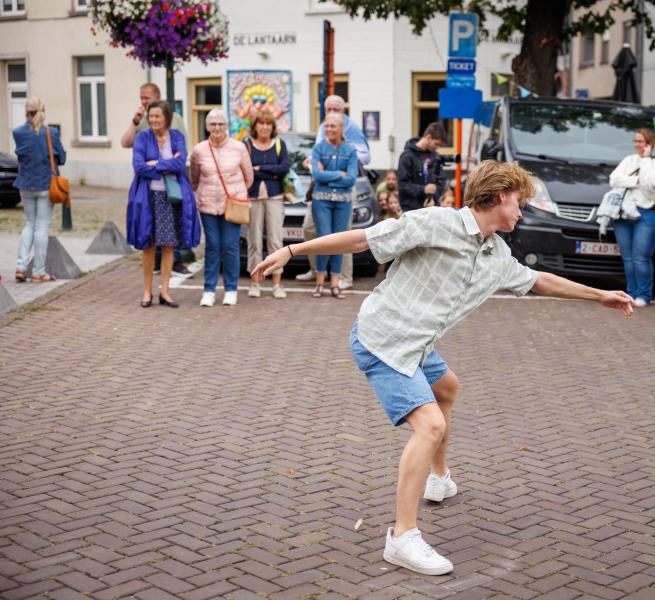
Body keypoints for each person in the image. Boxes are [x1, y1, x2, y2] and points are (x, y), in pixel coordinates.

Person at [250, 160, 635, 576]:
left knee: (447, 389)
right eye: (520, 202)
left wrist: (599, 296)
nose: (523, 211)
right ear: (502, 196)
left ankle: (438, 477)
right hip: (382, 340)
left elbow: (537, 279)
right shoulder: (435, 223)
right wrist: (291, 250)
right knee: (430, 425)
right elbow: (363, 239)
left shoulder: (495, 253)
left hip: (418, 344)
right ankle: (401, 537)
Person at [127, 101, 201, 308]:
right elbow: (139, 167)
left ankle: (165, 292)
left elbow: (180, 164)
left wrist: (156, 164)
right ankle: (147, 291)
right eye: (151, 116)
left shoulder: (176, 136)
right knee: (148, 246)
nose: (153, 120)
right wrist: (164, 166)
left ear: (166, 117)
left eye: (157, 116)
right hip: (148, 197)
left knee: (168, 245)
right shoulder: (142, 137)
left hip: (171, 198)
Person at [296, 95, 368, 288]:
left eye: (336, 109)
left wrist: (343, 158)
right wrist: (314, 163)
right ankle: (316, 270)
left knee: (342, 235)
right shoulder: (323, 127)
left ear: (343, 112)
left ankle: (344, 277)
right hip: (320, 191)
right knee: (310, 229)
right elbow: (319, 163)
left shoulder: (351, 128)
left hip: (343, 192)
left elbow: (365, 156)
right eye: (329, 109)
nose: (332, 112)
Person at [122, 82, 191, 275]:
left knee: (170, 229)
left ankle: (175, 262)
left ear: (157, 97)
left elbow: (180, 154)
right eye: (141, 98)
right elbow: (127, 144)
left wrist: (156, 164)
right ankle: (157, 264)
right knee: (149, 230)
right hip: (147, 185)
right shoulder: (142, 120)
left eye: (146, 98)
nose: (143, 102)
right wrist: (134, 122)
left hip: (171, 184)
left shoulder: (175, 119)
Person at [190, 109, 253, 307]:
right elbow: (194, 176)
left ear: (227, 126)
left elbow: (248, 176)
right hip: (208, 205)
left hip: (232, 204)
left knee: (230, 247)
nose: (217, 128)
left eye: (221, 124)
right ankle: (209, 290)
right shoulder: (199, 149)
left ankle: (231, 289)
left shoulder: (238, 148)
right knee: (212, 246)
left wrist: (236, 193)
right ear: (207, 126)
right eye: (213, 124)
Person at [610, 128, 655, 307]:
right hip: (624, 214)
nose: (637, 145)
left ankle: (643, 294)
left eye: (641, 141)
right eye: (635, 141)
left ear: (650, 143)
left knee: (641, 256)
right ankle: (631, 293)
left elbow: (652, 184)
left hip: (648, 214)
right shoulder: (628, 160)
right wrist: (635, 181)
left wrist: (645, 161)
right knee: (627, 257)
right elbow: (614, 180)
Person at [13, 98, 65, 283]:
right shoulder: (51, 132)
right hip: (45, 184)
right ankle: (38, 272)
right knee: (41, 227)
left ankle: (20, 267)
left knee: (29, 224)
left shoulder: (17, 132)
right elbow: (62, 158)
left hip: (25, 184)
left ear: (26, 112)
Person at [309, 112, 358, 299]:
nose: (329, 129)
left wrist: (329, 176)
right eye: (326, 126)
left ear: (341, 129)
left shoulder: (350, 151)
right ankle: (320, 281)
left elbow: (352, 179)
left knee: (339, 241)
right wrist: (340, 174)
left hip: (343, 202)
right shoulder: (319, 149)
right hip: (321, 200)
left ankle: (335, 284)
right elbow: (316, 175)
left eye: (333, 126)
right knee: (323, 238)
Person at [245, 109, 291, 300]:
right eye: (261, 123)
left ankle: (277, 284)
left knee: (275, 240)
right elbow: (246, 170)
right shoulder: (246, 145)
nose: (264, 127)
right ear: (255, 126)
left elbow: (283, 168)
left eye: (268, 123)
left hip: (275, 197)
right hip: (253, 198)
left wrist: (260, 169)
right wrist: (270, 172)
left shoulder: (280, 144)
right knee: (254, 240)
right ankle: (255, 283)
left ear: (272, 126)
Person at [398, 122, 447, 211]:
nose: (437, 147)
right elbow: (403, 185)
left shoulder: (435, 156)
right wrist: (423, 189)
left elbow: (441, 180)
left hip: (431, 208)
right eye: (436, 144)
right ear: (428, 137)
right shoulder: (407, 156)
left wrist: (433, 198)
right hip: (411, 210)